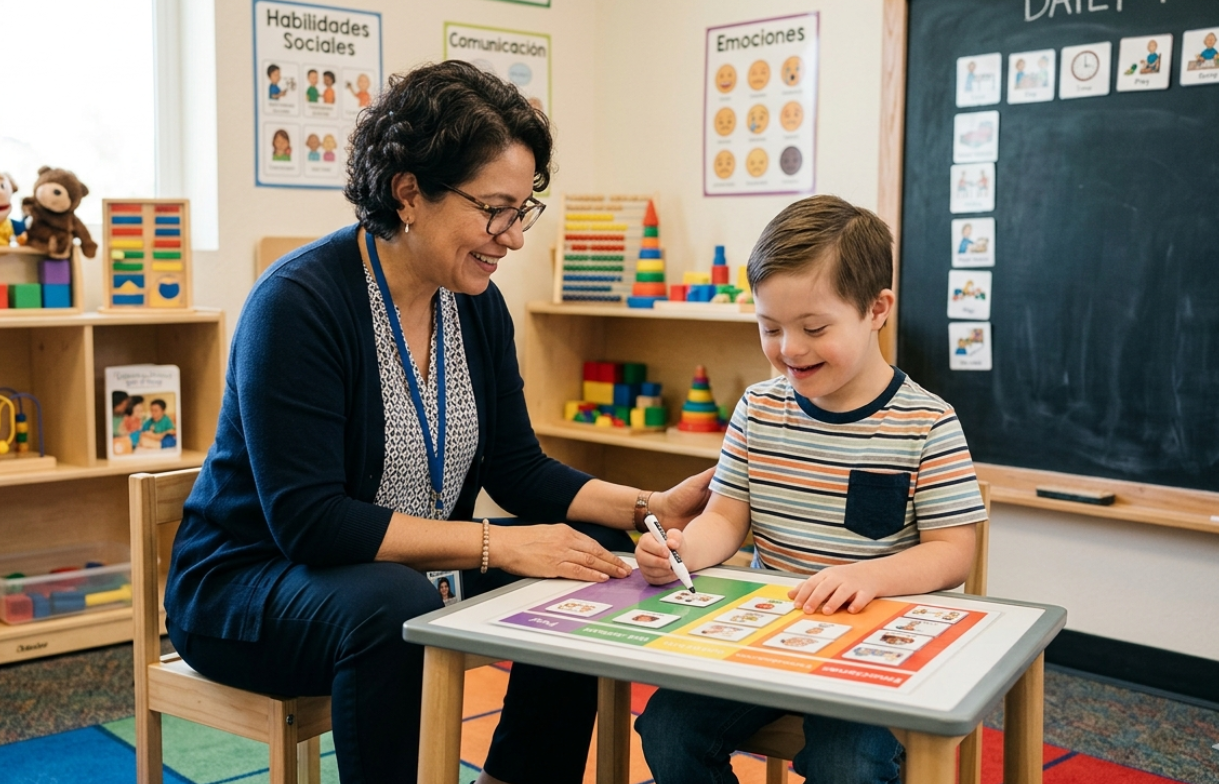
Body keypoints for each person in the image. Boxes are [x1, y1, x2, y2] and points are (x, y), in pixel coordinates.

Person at [164, 60, 713, 784]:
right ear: (409, 193)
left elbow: (516, 467)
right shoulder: (297, 304)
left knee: (595, 554)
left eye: (521, 210)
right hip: (252, 585)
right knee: (392, 604)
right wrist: (498, 547)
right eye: (493, 209)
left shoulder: (474, 300)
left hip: (408, 573)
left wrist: (646, 506)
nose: (511, 236)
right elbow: (311, 524)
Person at [632, 195, 987, 784]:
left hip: (871, 648)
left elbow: (954, 551)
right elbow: (726, 517)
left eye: (814, 328)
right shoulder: (758, 408)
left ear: (877, 309)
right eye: (769, 327)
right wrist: (683, 551)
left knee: (846, 762)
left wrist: (869, 577)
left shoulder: (927, 423)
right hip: (765, 636)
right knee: (668, 725)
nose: (789, 349)